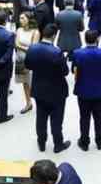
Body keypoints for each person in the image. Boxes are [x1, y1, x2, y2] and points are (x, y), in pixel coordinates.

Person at [25, 24, 71, 153]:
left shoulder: (32, 48)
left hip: (39, 88)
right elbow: (65, 72)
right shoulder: (57, 52)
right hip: (56, 90)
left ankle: (41, 143)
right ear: (54, 36)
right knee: (56, 120)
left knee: (41, 118)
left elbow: (28, 65)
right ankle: (58, 144)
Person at [70, 29, 101, 151]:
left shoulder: (77, 53)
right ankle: (100, 142)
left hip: (83, 90)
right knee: (99, 115)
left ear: (85, 39)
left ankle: (84, 142)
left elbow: (73, 69)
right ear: (98, 40)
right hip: (100, 90)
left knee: (84, 117)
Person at [15, 12, 39, 114]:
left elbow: (33, 49)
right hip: (20, 60)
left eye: (23, 18)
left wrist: (20, 46)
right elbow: (15, 44)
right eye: (20, 18)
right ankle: (28, 103)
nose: (20, 20)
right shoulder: (19, 30)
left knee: (34, 82)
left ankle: (39, 103)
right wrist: (24, 47)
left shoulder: (35, 32)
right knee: (25, 82)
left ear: (29, 19)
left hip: (31, 60)